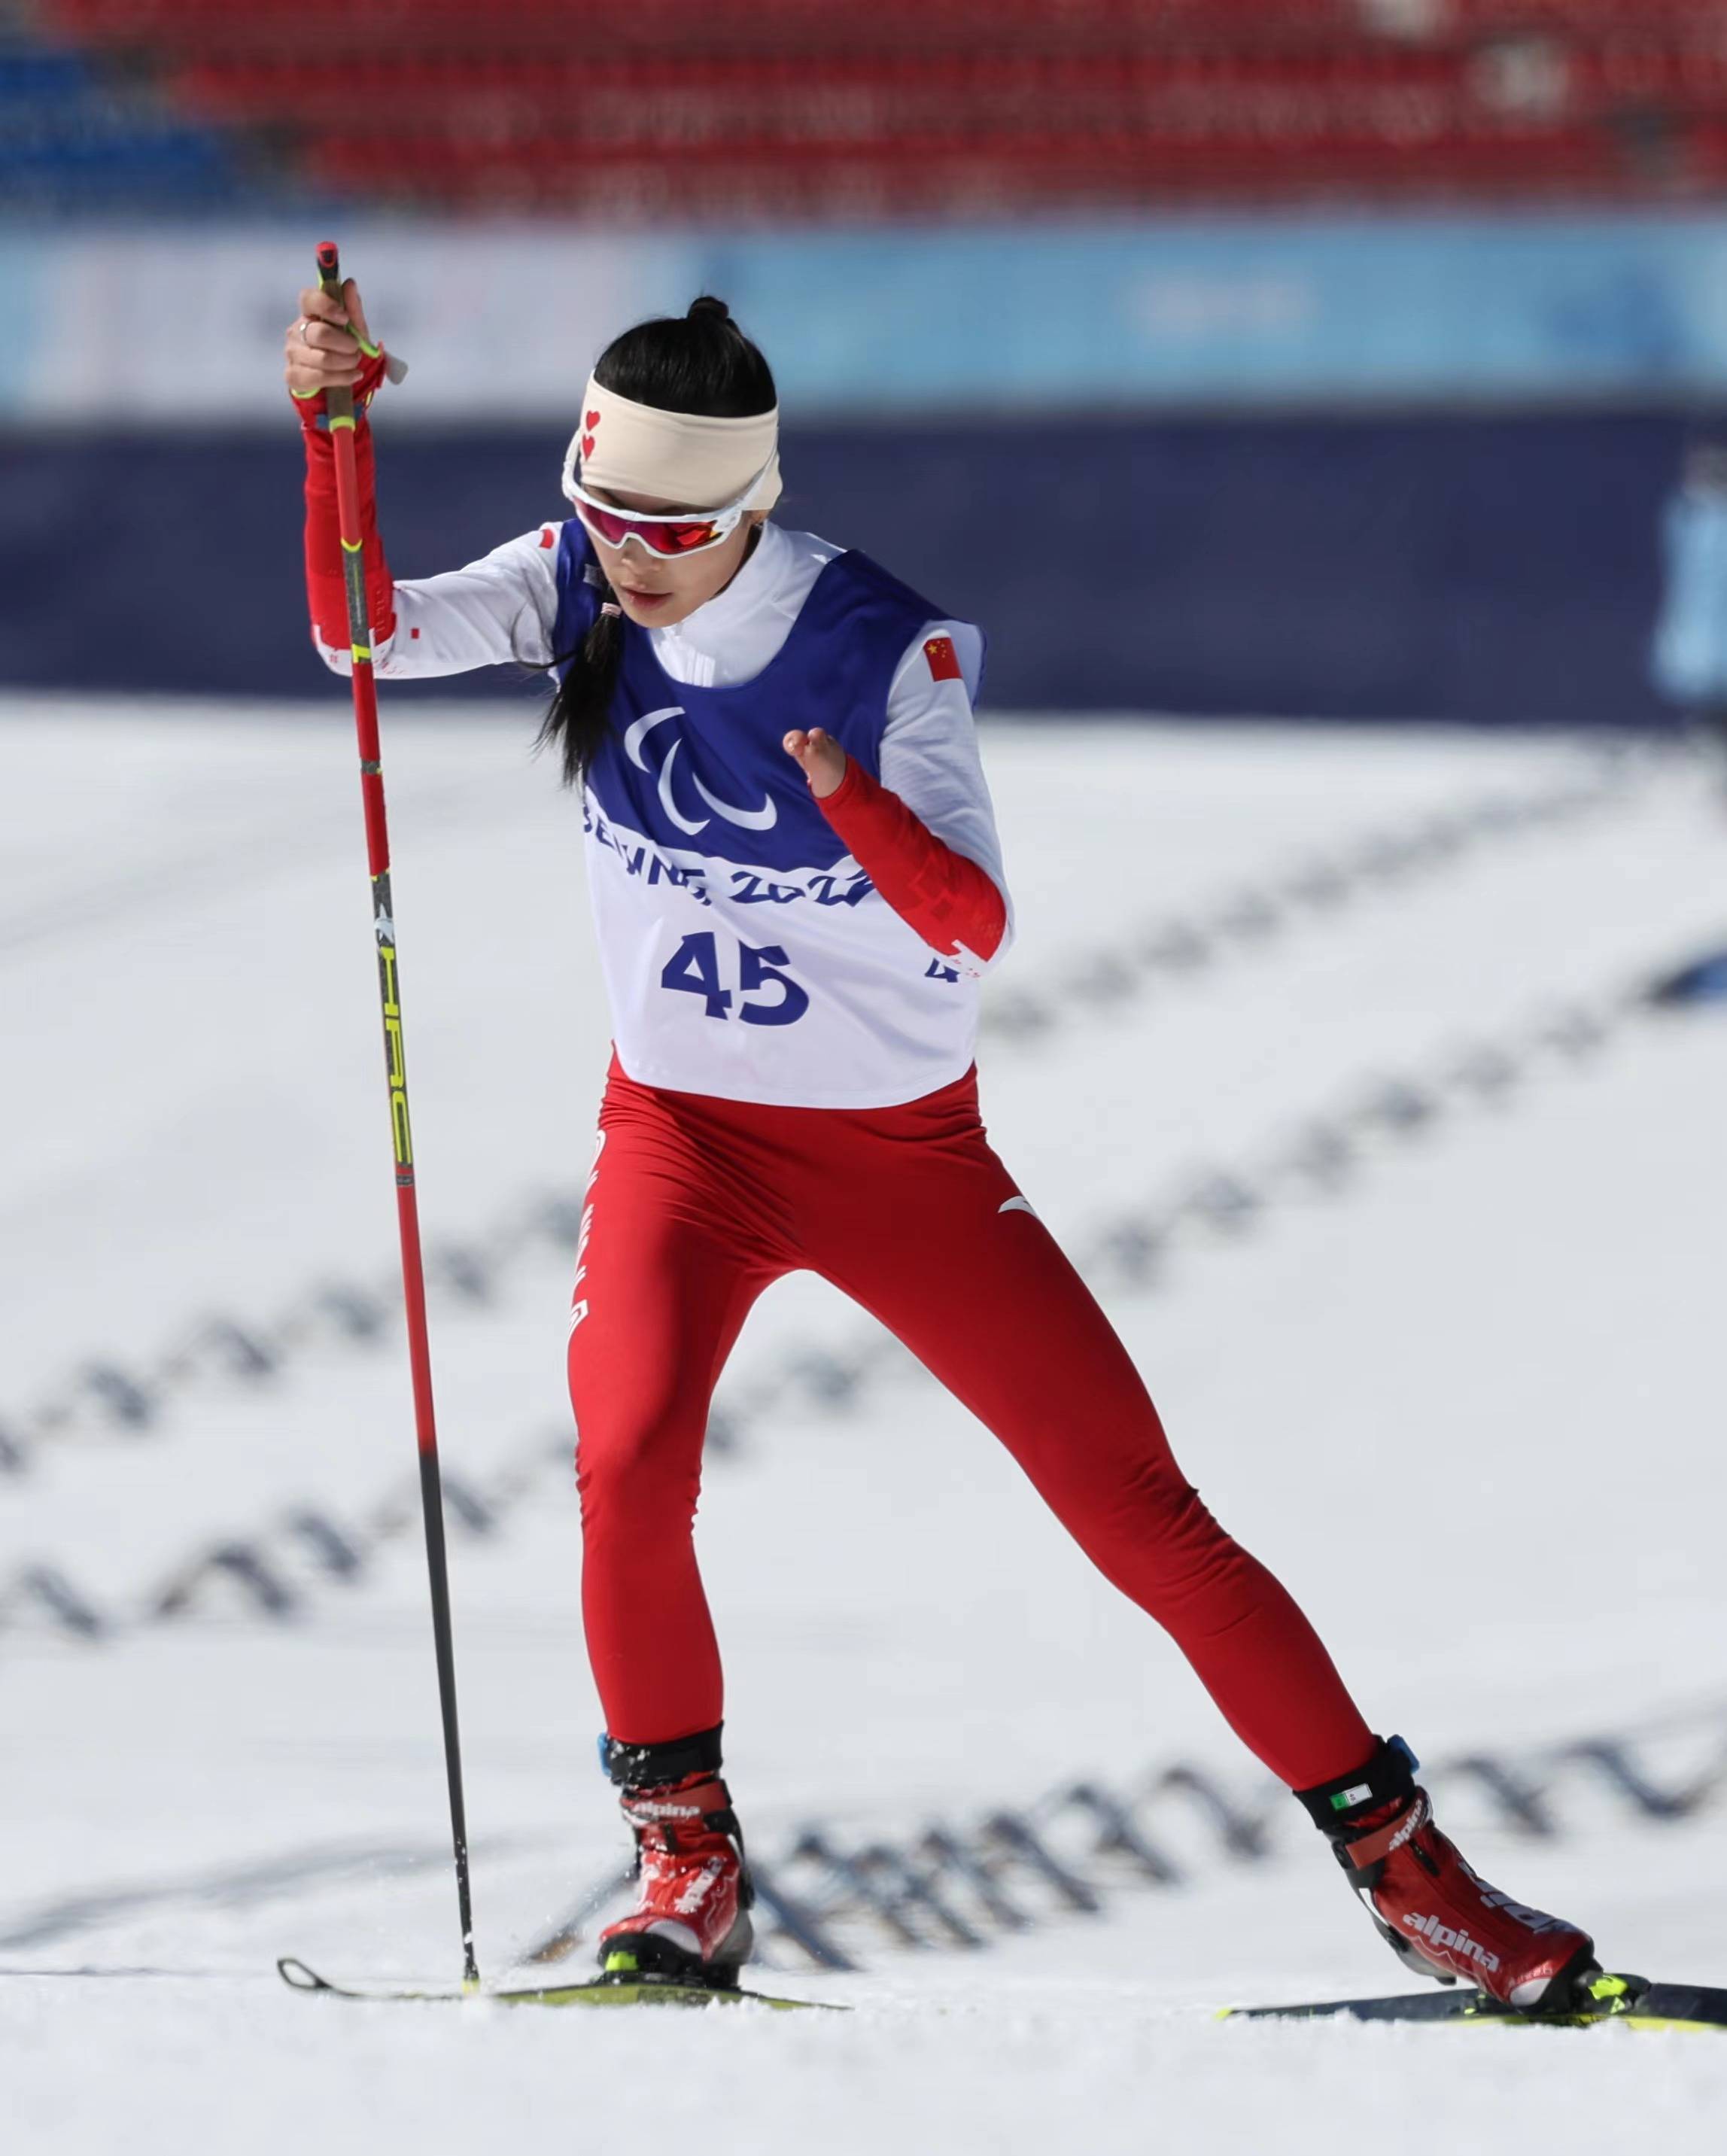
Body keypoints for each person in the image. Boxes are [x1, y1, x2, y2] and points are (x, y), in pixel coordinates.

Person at [284, 275, 1598, 2009]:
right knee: (623, 1462)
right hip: (682, 1134)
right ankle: (684, 1854)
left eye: (669, 528)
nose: (628, 557)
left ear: (751, 502)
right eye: (605, 515)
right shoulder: (573, 580)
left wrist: (848, 802)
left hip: (896, 1156)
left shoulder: (879, 646)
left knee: (1136, 1511)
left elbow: (969, 919)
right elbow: (361, 634)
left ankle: (1412, 1873)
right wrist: (331, 435)